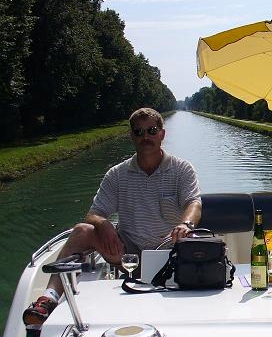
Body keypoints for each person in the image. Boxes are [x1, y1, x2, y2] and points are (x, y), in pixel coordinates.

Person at [23, 107, 202, 325]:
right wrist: (103, 223)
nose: (145, 137)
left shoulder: (182, 169)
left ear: (162, 134)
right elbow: (93, 214)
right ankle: (48, 299)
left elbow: (193, 203)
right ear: (131, 136)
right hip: (127, 255)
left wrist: (186, 224)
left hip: (169, 253)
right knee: (82, 230)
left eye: (152, 131)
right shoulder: (117, 174)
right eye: (139, 132)